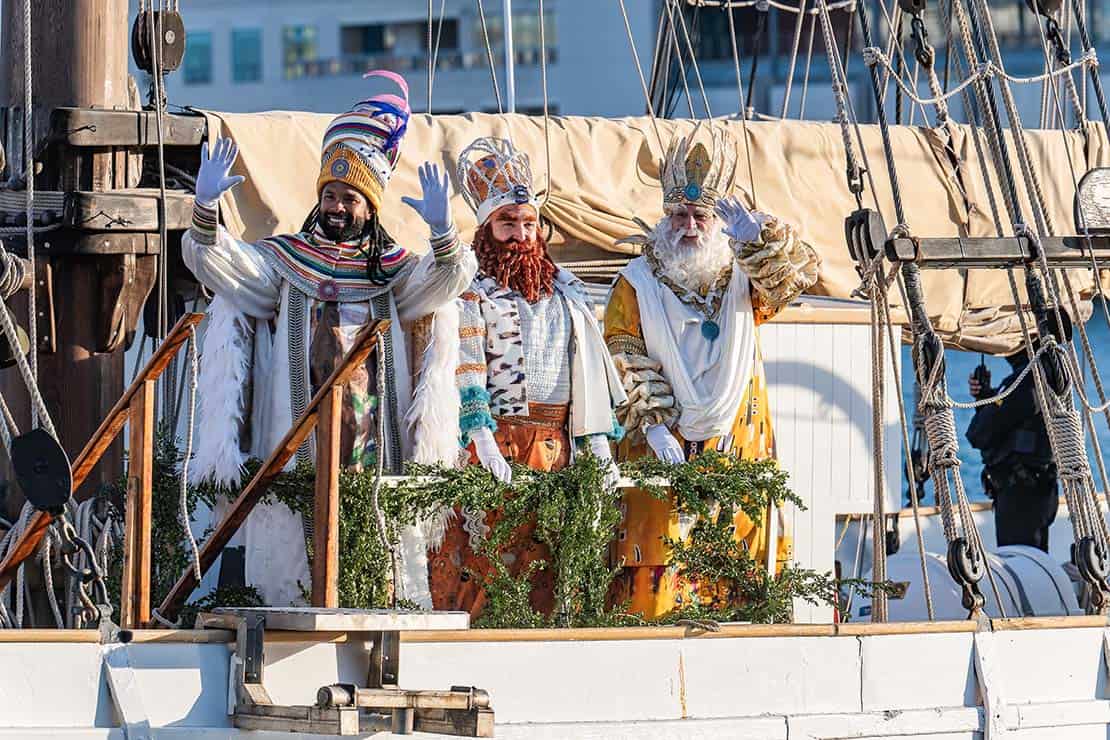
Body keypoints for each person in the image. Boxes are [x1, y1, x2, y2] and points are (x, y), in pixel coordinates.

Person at [181, 71, 476, 606]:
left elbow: (449, 281)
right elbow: (219, 266)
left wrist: (443, 232)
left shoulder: (391, 273)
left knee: (377, 567)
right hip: (296, 442)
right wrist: (204, 214)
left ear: (371, 206)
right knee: (292, 567)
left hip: (372, 443)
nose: (338, 206)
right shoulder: (286, 262)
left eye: (350, 198)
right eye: (331, 195)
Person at [602, 125, 820, 618]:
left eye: (700, 216)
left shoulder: (745, 277)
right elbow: (623, 354)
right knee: (656, 571)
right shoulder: (634, 284)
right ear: (664, 218)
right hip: (661, 452)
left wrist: (759, 242)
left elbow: (795, 280)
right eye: (679, 215)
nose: (690, 227)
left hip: (738, 443)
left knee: (740, 567)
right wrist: (657, 427)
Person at [414, 137, 626, 617]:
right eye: (508, 224)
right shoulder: (473, 290)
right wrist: (481, 436)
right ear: (488, 228)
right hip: (496, 442)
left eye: (529, 224)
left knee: (547, 566)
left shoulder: (567, 292)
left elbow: (587, 370)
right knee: (483, 566)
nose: (520, 234)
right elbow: (466, 361)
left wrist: (596, 443)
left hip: (555, 448)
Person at [966, 335, 1062, 552]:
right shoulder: (1045, 375)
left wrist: (987, 401)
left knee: (1021, 564)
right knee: (1033, 561)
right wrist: (987, 395)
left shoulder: (1026, 380)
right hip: (1036, 491)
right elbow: (1015, 415)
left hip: (1021, 495)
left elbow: (978, 433)